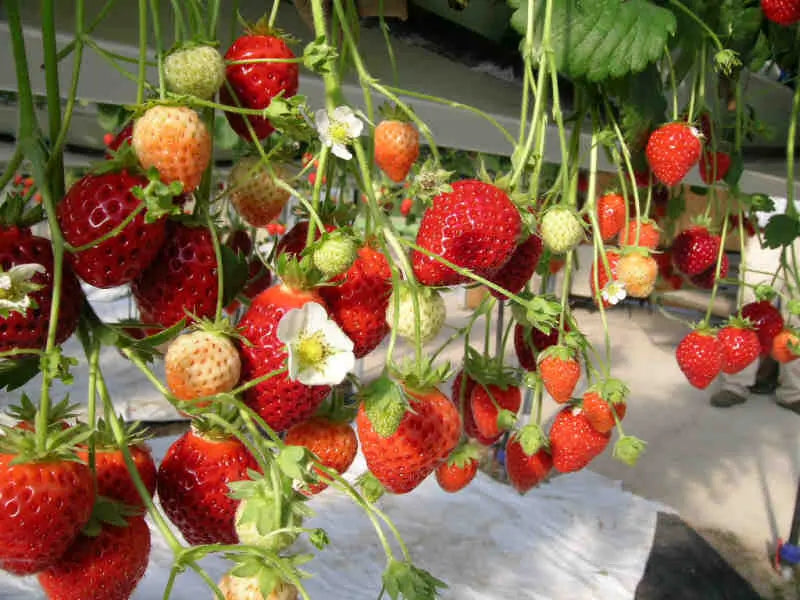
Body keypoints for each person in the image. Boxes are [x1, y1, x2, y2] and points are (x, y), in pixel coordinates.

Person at [710, 212, 800, 413]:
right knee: (750, 306)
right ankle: (735, 383)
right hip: (766, 221)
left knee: (798, 315)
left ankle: (794, 391)